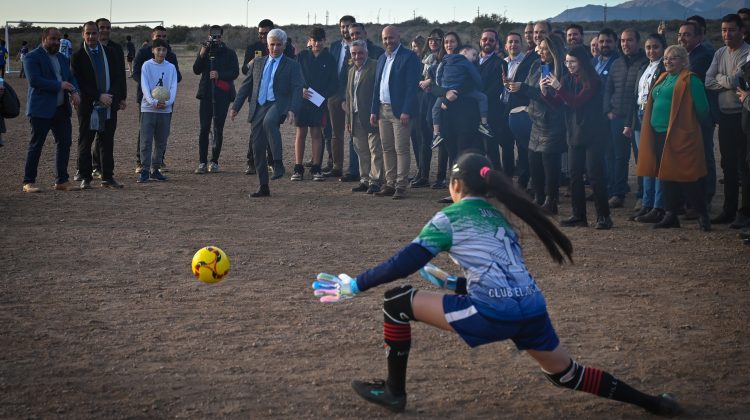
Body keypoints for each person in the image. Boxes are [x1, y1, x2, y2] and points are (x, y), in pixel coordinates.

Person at [312, 151, 681, 417]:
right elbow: (503, 276)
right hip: (532, 307)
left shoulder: (450, 216)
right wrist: (454, 283)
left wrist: (355, 285)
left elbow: (404, 262)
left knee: (397, 302)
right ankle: (654, 403)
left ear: (455, 184)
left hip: (494, 312)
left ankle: (394, 393)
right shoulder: (502, 218)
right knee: (568, 375)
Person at [636, 45, 711, 231]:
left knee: (687, 177)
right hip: (659, 134)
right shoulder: (663, 77)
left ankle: (702, 214)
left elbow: (703, 109)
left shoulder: (690, 80)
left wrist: (690, 129)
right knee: (666, 175)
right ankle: (670, 215)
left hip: (681, 136)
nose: (668, 61)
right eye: (666, 58)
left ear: (684, 60)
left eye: (674, 58)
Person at [230, 28, 304, 198]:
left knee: (269, 122)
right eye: (272, 44)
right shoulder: (257, 63)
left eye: (279, 44)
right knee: (257, 148)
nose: (275, 48)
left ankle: (278, 163)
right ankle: (264, 186)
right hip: (258, 106)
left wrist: (293, 109)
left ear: (285, 45)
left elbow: (298, 88)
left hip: (279, 103)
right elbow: (246, 86)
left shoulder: (292, 65)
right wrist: (236, 107)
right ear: (267, 45)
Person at [546, 45, 612, 229]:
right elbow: (557, 104)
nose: (569, 65)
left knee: (594, 175)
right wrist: (545, 92)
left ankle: (604, 216)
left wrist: (558, 88)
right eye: (567, 61)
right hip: (574, 133)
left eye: (572, 61)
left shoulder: (593, 80)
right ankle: (579, 216)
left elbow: (576, 102)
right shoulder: (567, 79)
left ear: (582, 61)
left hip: (593, 134)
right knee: (574, 175)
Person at [510, 35, 567, 214]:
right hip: (535, 119)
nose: (539, 51)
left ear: (553, 50)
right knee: (533, 159)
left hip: (553, 121)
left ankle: (552, 201)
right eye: (539, 48)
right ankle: (539, 197)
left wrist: (526, 89)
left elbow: (551, 97)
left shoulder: (562, 70)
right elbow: (531, 91)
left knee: (549, 161)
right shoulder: (536, 65)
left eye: (544, 49)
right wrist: (518, 88)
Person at [21, 27, 82, 193]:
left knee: (64, 143)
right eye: (53, 39)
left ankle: (62, 181)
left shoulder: (62, 58)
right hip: (41, 110)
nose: (56, 42)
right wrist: (59, 85)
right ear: (44, 38)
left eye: (58, 39)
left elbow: (70, 78)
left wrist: (74, 91)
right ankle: (29, 182)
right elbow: (35, 81)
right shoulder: (31, 57)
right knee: (36, 145)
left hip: (61, 110)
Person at [706, 14, 750, 228]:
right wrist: (727, 80)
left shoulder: (747, 53)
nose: (727, 34)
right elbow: (708, 80)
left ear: (742, 31)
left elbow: (737, 80)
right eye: (723, 30)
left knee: (744, 166)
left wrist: (723, 79)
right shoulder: (720, 52)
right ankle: (728, 210)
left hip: (742, 115)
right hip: (725, 116)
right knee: (728, 165)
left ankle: (744, 213)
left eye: (731, 29)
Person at [70, 21, 126, 189]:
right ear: (83, 34)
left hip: (108, 105)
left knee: (107, 141)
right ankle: (86, 177)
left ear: (98, 34)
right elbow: (80, 82)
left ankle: (108, 176)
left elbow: (118, 76)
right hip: (88, 106)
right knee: (86, 141)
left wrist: (114, 97)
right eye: (88, 33)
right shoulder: (77, 56)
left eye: (94, 33)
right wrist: (98, 96)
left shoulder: (110, 52)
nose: (91, 37)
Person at [370, 25, 421, 199]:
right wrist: (373, 110)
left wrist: (406, 110)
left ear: (398, 37)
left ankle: (401, 185)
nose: (388, 41)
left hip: (400, 112)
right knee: (387, 148)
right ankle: (390, 183)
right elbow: (377, 86)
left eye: (391, 38)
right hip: (382, 109)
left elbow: (411, 87)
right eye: (385, 38)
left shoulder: (409, 57)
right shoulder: (382, 58)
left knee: (401, 149)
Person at [132, 26, 182, 174]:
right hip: (147, 101)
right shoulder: (144, 56)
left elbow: (176, 77)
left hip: (165, 103)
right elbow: (137, 74)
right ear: (152, 38)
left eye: (163, 36)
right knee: (145, 135)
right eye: (158, 36)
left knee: (162, 136)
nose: (161, 39)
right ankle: (141, 163)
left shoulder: (171, 58)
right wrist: (151, 95)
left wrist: (165, 99)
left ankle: (158, 163)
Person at [192, 25, 239, 174]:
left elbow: (235, 72)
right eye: (213, 36)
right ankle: (202, 162)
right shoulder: (204, 51)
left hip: (222, 95)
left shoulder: (229, 53)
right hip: (206, 94)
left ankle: (214, 161)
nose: (215, 38)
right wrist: (202, 53)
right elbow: (196, 70)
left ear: (222, 37)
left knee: (218, 128)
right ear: (208, 35)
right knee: (204, 128)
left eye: (218, 36)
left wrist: (220, 74)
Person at [291, 27, 336, 182]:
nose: (317, 43)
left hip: (319, 103)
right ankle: (298, 168)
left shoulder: (330, 59)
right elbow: (294, 77)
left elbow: (334, 82)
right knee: (300, 134)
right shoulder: (302, 56)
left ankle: (316, 168)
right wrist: (300, 91)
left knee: (317, 134)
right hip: (302, 102)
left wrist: (323, 96)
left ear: (324, 40)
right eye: (314, 40)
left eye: (320, 40)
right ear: (309, 41)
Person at [631, 34, 667, 223]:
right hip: (640, 115)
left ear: (663, 48)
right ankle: (646, 204)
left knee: (657, 163)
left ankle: (658, 205)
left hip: (654, 117)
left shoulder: (664, 67)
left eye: (655, 47)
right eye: (648, 47)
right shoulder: (643, 67)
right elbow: (635, 96)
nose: (651, 51)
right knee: (645, 162)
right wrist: (630, 123)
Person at [431, 46, 492, 146]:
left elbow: (438, 73)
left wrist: (442, 86)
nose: (475, 58)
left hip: (446, 90)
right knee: (482, 97)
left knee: (435, 109)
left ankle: (436, 134)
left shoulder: (445, 60)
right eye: (473, 55)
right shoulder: (466, 62)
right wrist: (479, 86)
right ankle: (484, 124)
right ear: (464, 51)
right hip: (462, 90)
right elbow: (476, 76)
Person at [346, 39, 383, 193]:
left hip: (371, 115)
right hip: (355, 117)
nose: (357, 56)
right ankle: (365, 179)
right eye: (354, 53)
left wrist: (377, 112)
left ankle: (376, 181)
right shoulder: (351, 71)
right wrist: (349, 119)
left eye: (360, 53)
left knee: (375, 149)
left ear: (366, 52)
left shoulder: (375, 66)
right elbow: (349, 96)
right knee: (361, 150)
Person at [411, 29, 446, 189]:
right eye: (431, 39)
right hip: (424, 102)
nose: (433, 42)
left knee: (442, 141)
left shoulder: (445, 60)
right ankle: (423, 174)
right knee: (423, 139)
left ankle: (441, 177)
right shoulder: (425, 60)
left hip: (439, 101)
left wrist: (429, 83)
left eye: (437, 40)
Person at [324, 15, 356, 179]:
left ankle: (354, 169)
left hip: (351, 95)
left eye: (348, 26)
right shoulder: (335, 46)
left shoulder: (358, 47)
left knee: (354, 133)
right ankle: (337, 166)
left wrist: (345, 96)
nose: (345, 29)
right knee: (335, 133)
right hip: (334, 95)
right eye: (342, 26)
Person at [504, 32, 537, 191]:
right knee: (507, 146)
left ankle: (525, 180)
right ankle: (508, 180)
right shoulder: (502, 63)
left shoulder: (528, 62)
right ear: (506, 45)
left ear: (521, 44)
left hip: (522, 110)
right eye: (510, 42)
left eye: (517, 42)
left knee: (523, 147)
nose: (513, 45)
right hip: (503, 109)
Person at [478, 29, 510, 175]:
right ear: (480, 41)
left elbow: (496, 88)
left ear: (496, 43)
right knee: (476, 149)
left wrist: (476, 98)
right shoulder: (471, 60)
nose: (487, 42)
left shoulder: (501, 63)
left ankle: (495, 182)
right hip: (470, 112)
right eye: (485, 39)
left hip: (490, 111)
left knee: (491, 148)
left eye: (491, 40)